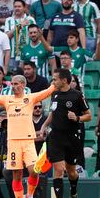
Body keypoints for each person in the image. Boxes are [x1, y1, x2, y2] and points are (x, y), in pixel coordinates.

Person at [0, 74, 56, 198]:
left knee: (34, 171)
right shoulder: (7, 99)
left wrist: (57, 82)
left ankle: (29, 194)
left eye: (16, 84)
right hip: (13, 142)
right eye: (12, 84)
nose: (13, 86)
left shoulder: (31, 98)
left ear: (23, 85)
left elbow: (48, 91)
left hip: (28, 141)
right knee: (16, 174)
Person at [40, 68, 92, 198]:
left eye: (55, 79)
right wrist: (44, 125)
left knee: (71, 172)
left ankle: (73, 190)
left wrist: (77, 118)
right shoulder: (54, 94)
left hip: (72, 137)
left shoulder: (77, 95)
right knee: (58, 170)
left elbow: (89, 116)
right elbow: (53, 112)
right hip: (56, 137)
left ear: (64, 80)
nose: (53, 82)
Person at [5, 0, 36, 69]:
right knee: (14, 77)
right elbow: (6, 36)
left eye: (19, 6)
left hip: (29, 53)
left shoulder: (30, 19)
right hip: (13, 55)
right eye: (15, 6)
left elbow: (36, 35)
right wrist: (20, 26)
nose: (17, 8)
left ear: (24, 8)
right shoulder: (9, 20)